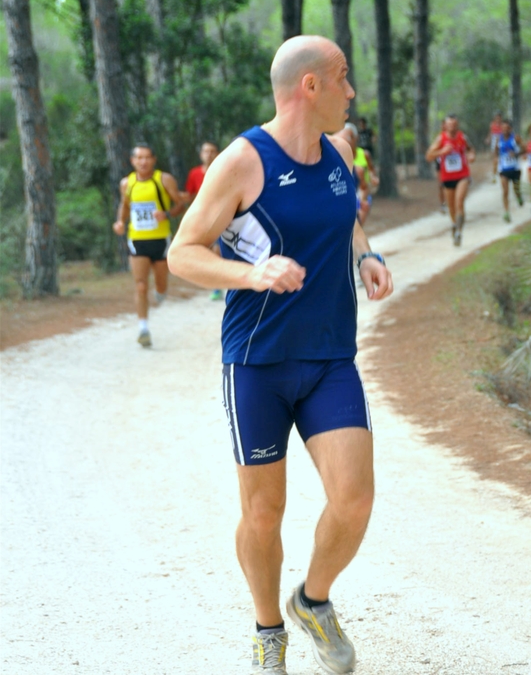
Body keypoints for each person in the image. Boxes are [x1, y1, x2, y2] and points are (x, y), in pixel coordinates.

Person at [168, 35, 393, 674]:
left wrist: (366, 253)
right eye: (343, 78)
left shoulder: (340, 152)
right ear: (310, 87)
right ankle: (269, 630)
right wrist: (253, 274)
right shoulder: (242, 162)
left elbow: (342, 213)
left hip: (329, 358)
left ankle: (312, 601)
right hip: (257, 363)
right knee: (264, 514)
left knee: (354, 499)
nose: (352, 91)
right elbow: (184, 252)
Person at [113, 144, 182, 347]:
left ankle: (161, 292)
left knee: (160, 285)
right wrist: (120, 222)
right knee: (141, 284)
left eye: (147, 158)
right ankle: (143, 328)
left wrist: (166, 214)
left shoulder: (163, 179)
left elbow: (179, 204)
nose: (143, 162)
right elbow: (125, 205)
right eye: (139, 158)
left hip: (160, 240)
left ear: (153, 159)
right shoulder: (127, 183)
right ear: (132, 161)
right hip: (137, 239)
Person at [426, 114, 475, 246]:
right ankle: (454, 224)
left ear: (457, 125)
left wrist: (471, 156)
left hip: (462, 175)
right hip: (447, 177)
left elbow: (471, 149)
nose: (452, 127)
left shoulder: (462, 137)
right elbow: (429, 156)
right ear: (445, 125)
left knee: (459, 203)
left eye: (454, 124)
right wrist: (442, 151)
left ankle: (459, 231)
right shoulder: (440, 139)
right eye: (450, 124)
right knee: (452, 206)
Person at [183, 140, 223, 300]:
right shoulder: (195, 173)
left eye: (212, 151)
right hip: (202, 217)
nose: (209, 154)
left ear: (218, 153)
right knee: (205, 251)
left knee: (217, 250)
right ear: (201, 155)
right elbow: (190, 194)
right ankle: (215, 282)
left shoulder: (223, 169)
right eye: (206, 151)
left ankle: (217, 286)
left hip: (221, 215)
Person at [336, 123, 379, 225]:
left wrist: (373, 178)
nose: (347, 141)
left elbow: (371, 170)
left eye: (350, 137)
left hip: (362, 192)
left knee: (357, 226)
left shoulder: (364, 155)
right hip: (347, 194)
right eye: (344, 137)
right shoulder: (338, 156)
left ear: (356, 138)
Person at [495, 118, 525, 222]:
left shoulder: (516, 138)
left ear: (511, 128)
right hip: (504, 170)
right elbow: (496, 152)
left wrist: (516, 154)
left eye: (507, 128)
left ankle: (519, 197)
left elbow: (524, 149)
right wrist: (495, 164)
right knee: (505, 191)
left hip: (515, 169)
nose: (505, 130)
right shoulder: (499, 139)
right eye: (503, 128)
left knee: (516, 190)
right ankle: (506, 212)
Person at [486, 111, 503, 182]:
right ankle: (494, 175)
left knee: (502, 157)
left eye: (499, 118)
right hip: (494, 140)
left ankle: (502, 172)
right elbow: (491, 132)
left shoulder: (503, 125)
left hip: (501, 140)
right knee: (495, 159)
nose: (498, 119)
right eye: (496, 118)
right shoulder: (492, 124)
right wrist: (488, 138)